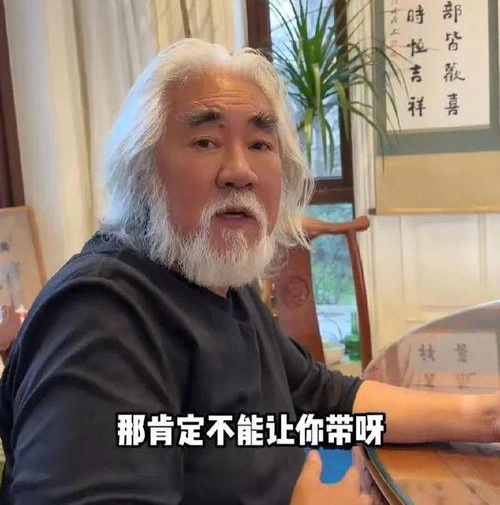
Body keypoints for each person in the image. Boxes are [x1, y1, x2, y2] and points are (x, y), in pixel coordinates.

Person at [0, 39, 497, 504]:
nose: (240, 171)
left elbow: (324, 405)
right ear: (143, 169)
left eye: (260, 144)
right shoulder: (102, 317)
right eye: (205, 142)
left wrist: (483, 417)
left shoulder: (221, 286)